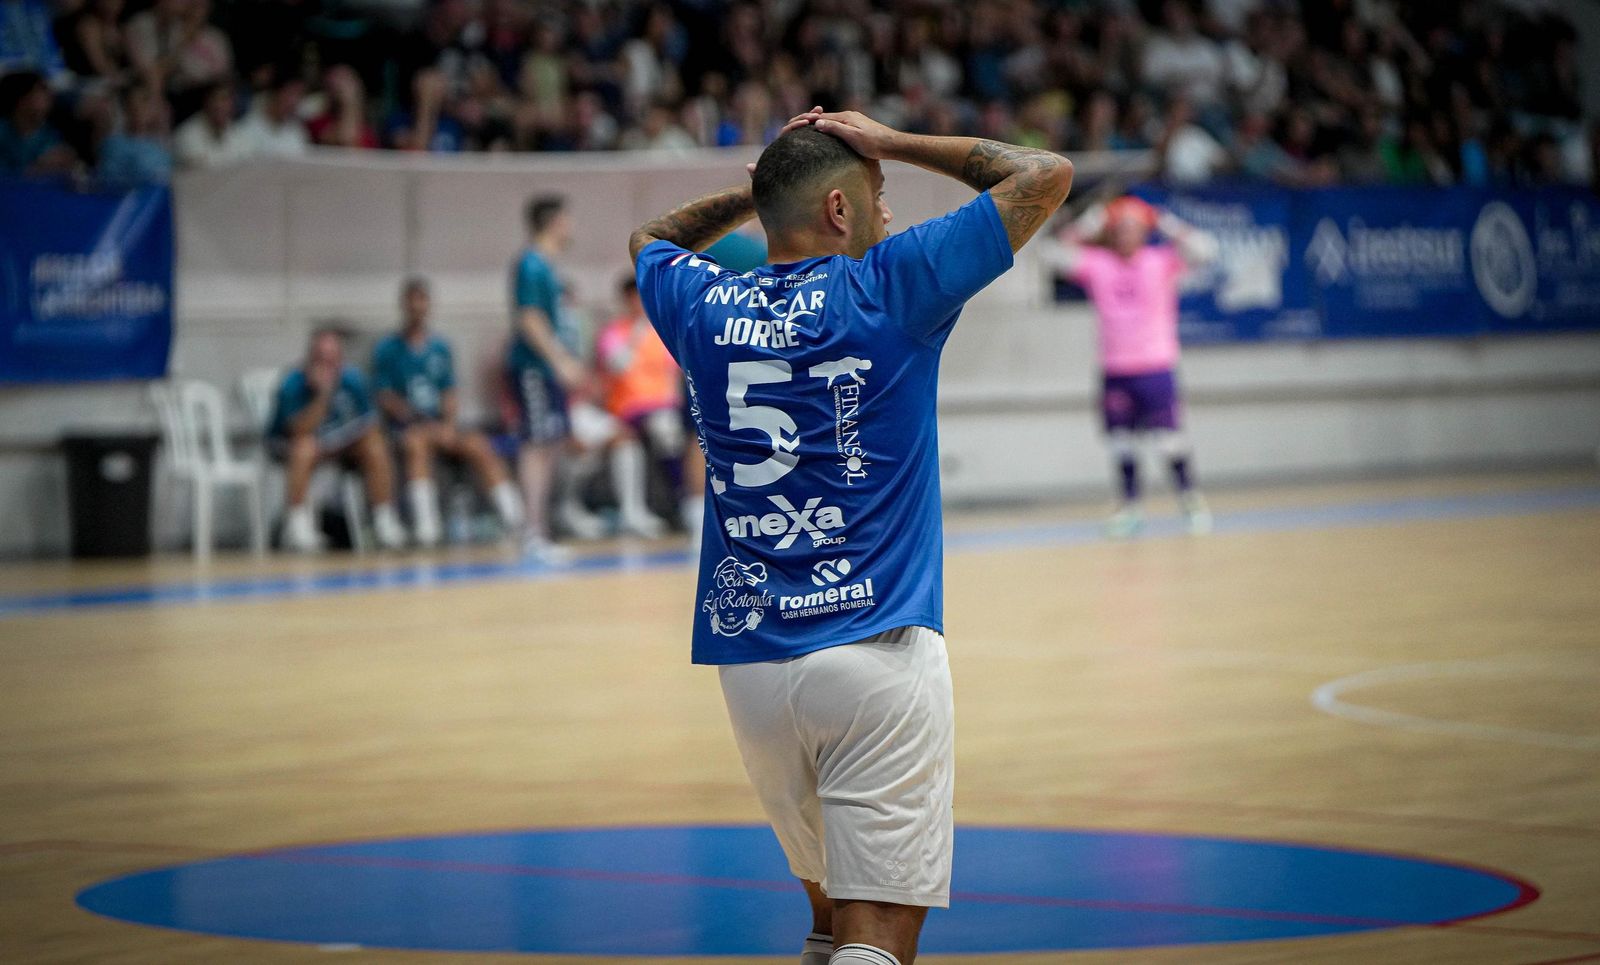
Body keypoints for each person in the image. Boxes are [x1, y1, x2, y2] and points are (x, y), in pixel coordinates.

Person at [629, 108, 1072, 964]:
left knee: (830, 923)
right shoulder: (888, 285)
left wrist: (768, 192)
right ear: (839, 212)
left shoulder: (697, 302)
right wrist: (892, 141)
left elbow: (651, 235)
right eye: (877, 194)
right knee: (878, 937)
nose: (890, 212)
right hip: (875, 652)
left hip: (751, 666)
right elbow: (1042, 173)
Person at [1050, 195, 1218, 537]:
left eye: (1134, 228)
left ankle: (1191, 501)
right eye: (1120, 228)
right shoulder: (1097, 263)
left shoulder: (1161, 261)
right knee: (1121, 442)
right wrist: (1090, 223)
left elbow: (1206, 250)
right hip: (1115, 369)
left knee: (1168, 441)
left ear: (1144, 232)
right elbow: (1052, 255)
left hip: (1156, 366)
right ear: (1111, 233)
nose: (1126, 235)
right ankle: (1130, 508)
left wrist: (1164, 222)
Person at [371, 277, 525, 547]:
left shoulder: (441, 347)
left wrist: (448, 425)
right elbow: (385, 396)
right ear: (404, 305)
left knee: (479, 444)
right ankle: (426, 525)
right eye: (412, 300)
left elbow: (449, 392)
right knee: (416, 445)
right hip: (407, 427)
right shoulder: (387, 349)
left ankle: (515, 518)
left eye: (422, 300)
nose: (418, 306)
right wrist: (414, 419)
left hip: (441, 425)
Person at [268, 327, 408, 552]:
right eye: (320, 359)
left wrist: (354, 438)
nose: (326, 366)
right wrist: (323, 395)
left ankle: (384, 520)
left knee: (375, 444)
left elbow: (369, 422)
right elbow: (298, 430)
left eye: (332, 360)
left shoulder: (353, 379)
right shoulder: (293, 383)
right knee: (304, 447)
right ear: (310, 359)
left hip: (339, 443)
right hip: (295, 446)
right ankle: (297, 526)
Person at [508, 194, 594, 558]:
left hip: (546, 370)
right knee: (537, 446)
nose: (571, 226)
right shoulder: (531, 264)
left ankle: (538, 529)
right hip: (534, 369)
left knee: (549, 445)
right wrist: (560, 361)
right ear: (554, 221)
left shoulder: (548, 265)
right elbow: (529, 318)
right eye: (567, 219)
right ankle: (531, 533)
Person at [594, 276, 684, 538]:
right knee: (650, 434)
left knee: (669, 431)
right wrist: (637, 333)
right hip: (627, 409)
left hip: (664, 406)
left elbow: (676, 371)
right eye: (633, 298)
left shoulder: (664, 331)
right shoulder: (614, 332)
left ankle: (683, 501)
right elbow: (616, 366)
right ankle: (638, 512)